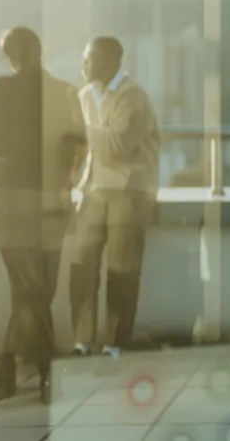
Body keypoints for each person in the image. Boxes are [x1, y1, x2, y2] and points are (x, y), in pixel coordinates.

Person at [0, 27, 85, 401]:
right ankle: (44, 370)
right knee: (41, 285)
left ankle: (10, 365)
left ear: (9, 55)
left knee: (28, 288)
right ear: (41, 51)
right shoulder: (65, 91)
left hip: (11, 198)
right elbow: (79, 143)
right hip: (52, 197)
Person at [69, 36, 160, 360]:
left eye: (88, 59)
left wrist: (77, 130)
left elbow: (120, 144)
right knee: (81, 267)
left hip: (128, 193)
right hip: (93, 191)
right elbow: (88, 148)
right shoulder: (84, 95)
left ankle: (115, 345)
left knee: (122, 272)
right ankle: (82, 342)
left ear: (109, 62)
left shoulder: (133, 97)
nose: (82, 66)